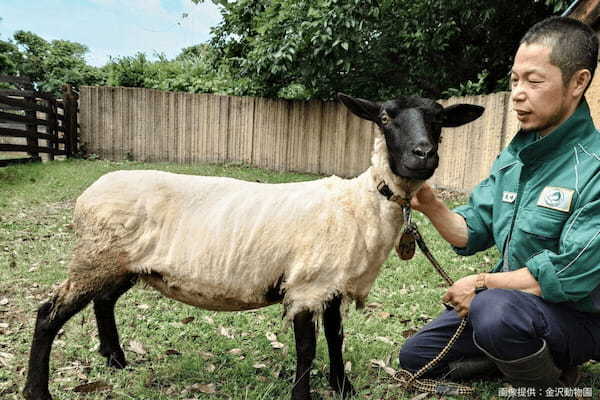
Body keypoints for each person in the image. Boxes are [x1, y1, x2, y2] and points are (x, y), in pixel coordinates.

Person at [398, 16, 600, 397]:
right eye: (514, 80)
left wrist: (481, 284)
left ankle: (552, 384)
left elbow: (570, 272)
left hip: (580, 317)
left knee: (492, 313)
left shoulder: (594, 166)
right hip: (513, 306)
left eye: (534, 81)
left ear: (578, 82)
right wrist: (432, 207)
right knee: (416, 355)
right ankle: (514, 350)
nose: (518, 94)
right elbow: (474, 229)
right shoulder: (515, 157)